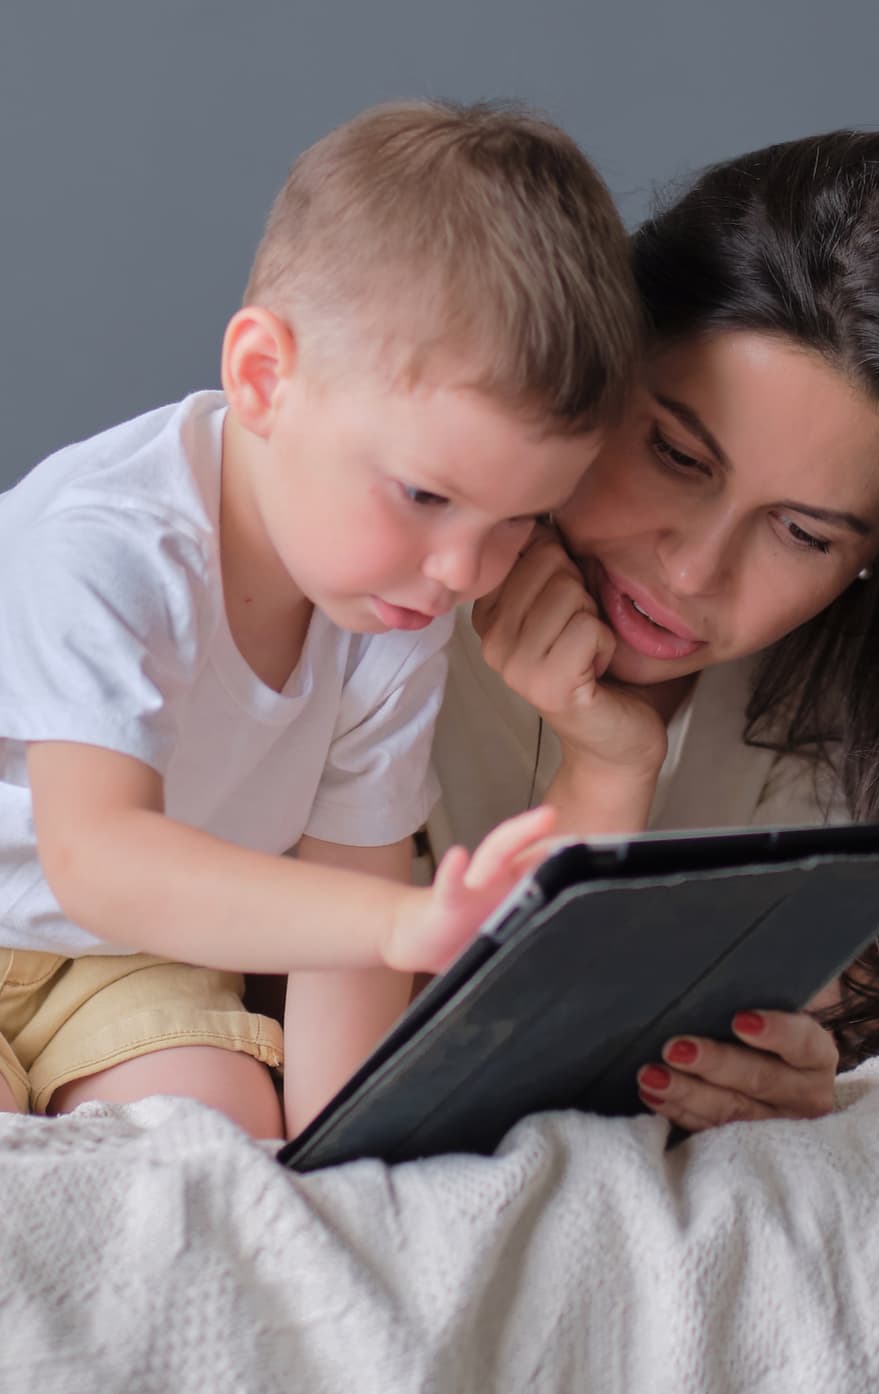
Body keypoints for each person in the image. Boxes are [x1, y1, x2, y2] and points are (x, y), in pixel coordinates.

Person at [0, 101, 642, 1139]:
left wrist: (350, 1160)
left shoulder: (393, 607)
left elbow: (353, 892)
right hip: (93, 902)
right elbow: (99, 855)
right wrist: (405, 924)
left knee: (221, 1129)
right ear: (263, 378)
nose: (462, 571)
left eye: (518, 521)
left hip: (122, 965)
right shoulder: (109, 545)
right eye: (426, 496)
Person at [426, 128, 879, 1134]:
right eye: (673, 452)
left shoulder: (876, 744)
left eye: (801, 533)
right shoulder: (386, 582)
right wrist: (603, 775)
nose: (693, 568)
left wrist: (805, 1066)